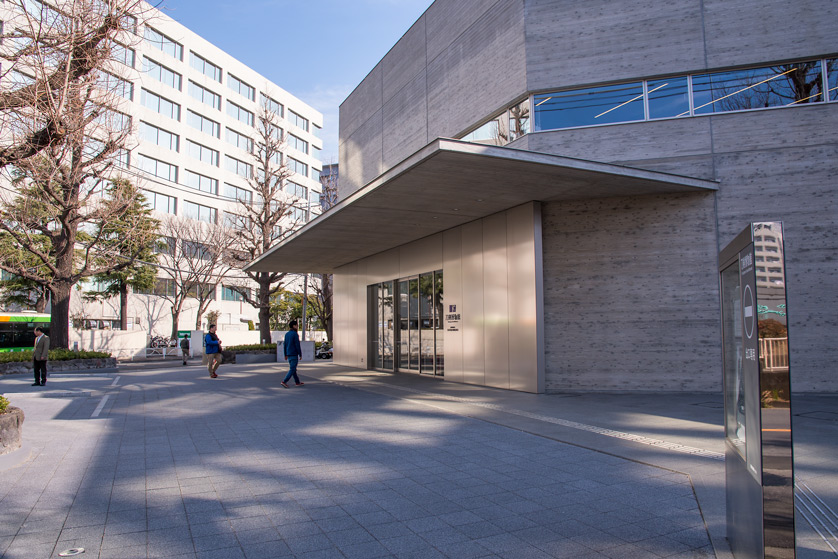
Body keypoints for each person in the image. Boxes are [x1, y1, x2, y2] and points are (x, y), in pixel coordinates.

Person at [281, 320, 304, 388]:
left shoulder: (287, 334)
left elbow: (285, 345)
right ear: (294, 326)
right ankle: (284, 381)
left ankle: (297, 382)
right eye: (296, 325)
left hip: (288, 353)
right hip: (294, 353)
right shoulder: (295, 334)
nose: (297, 327)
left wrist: (285, 354)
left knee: (293, 368)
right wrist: (300, 354)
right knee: (292, 369)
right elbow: (297, 345)